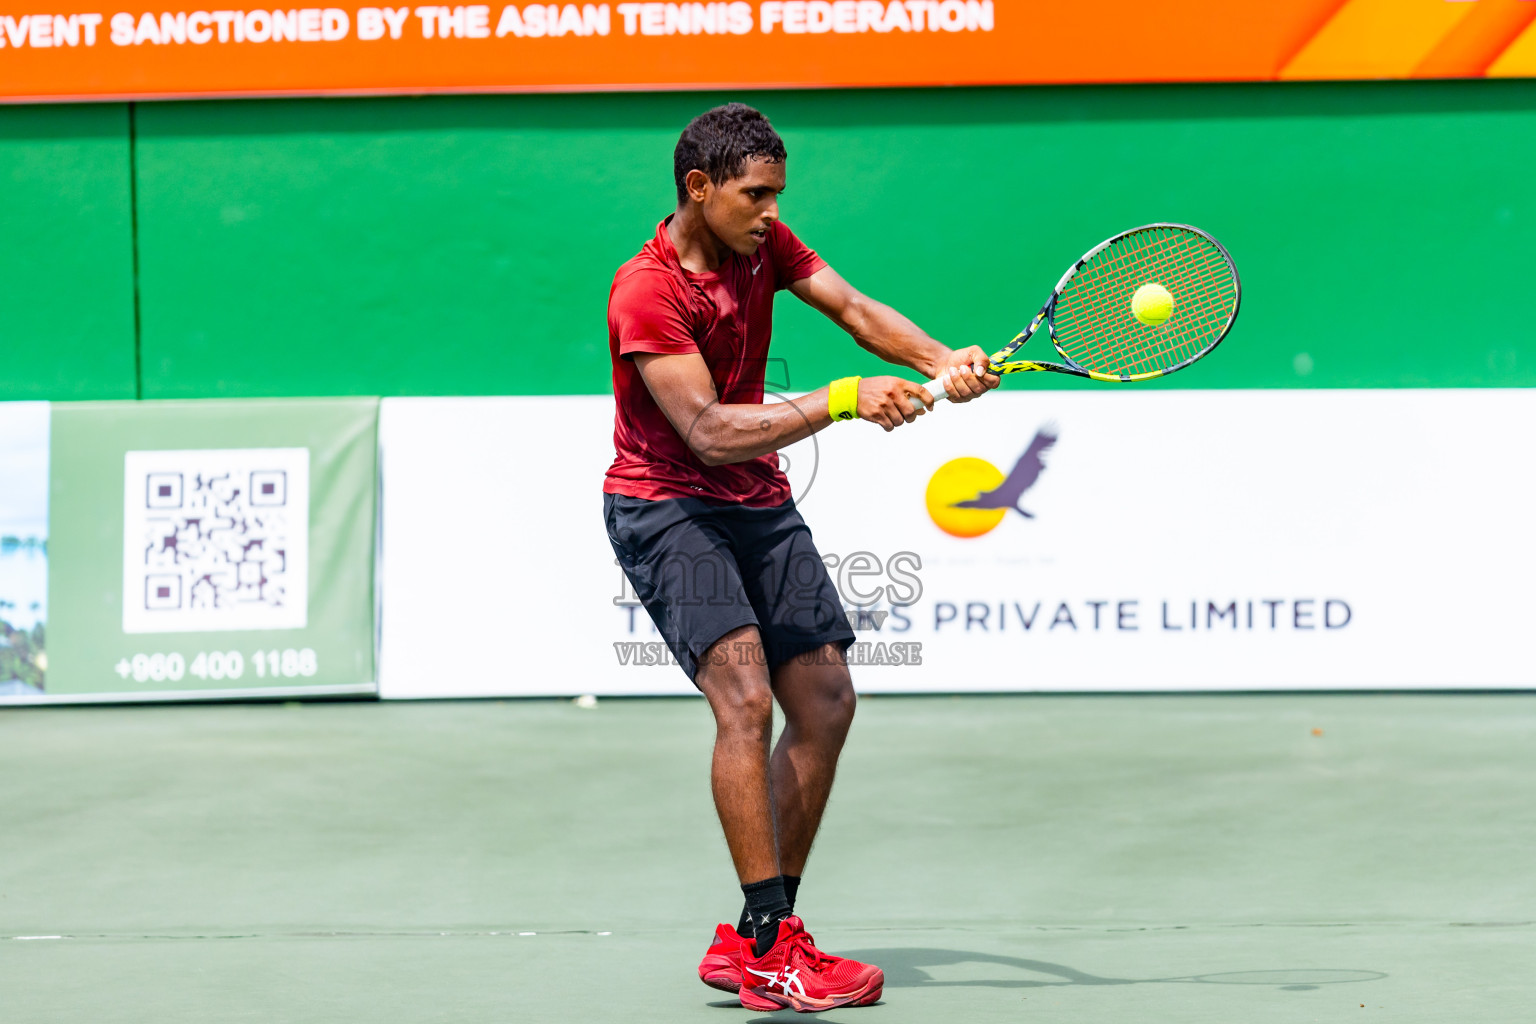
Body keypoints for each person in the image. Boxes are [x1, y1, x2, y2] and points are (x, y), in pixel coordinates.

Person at [602, 102, 998, 1012]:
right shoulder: (647, 290)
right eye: (754, 194)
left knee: (824, 702)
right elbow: (703, 432)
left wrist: (945, 360)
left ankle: (752, 937)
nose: (771, 210)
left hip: (756, 505)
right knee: (742, 698)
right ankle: (775, 941)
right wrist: (844, 400)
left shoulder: (762, 246)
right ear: (699, 189)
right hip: (666, 509)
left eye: (778, 193)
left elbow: (855, 310)